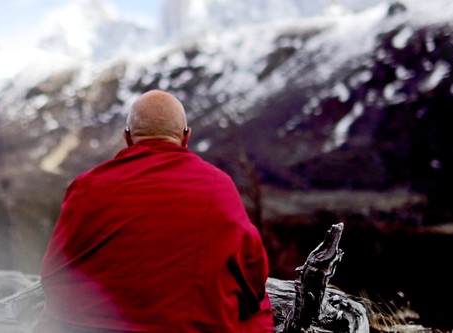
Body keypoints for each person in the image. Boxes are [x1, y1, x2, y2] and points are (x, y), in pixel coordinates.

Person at [34, 90, 274, 333]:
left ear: (128, 138)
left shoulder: (87, 186)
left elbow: (52, 272)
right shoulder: (218, 186)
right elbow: (253, 272)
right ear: (186, 137)